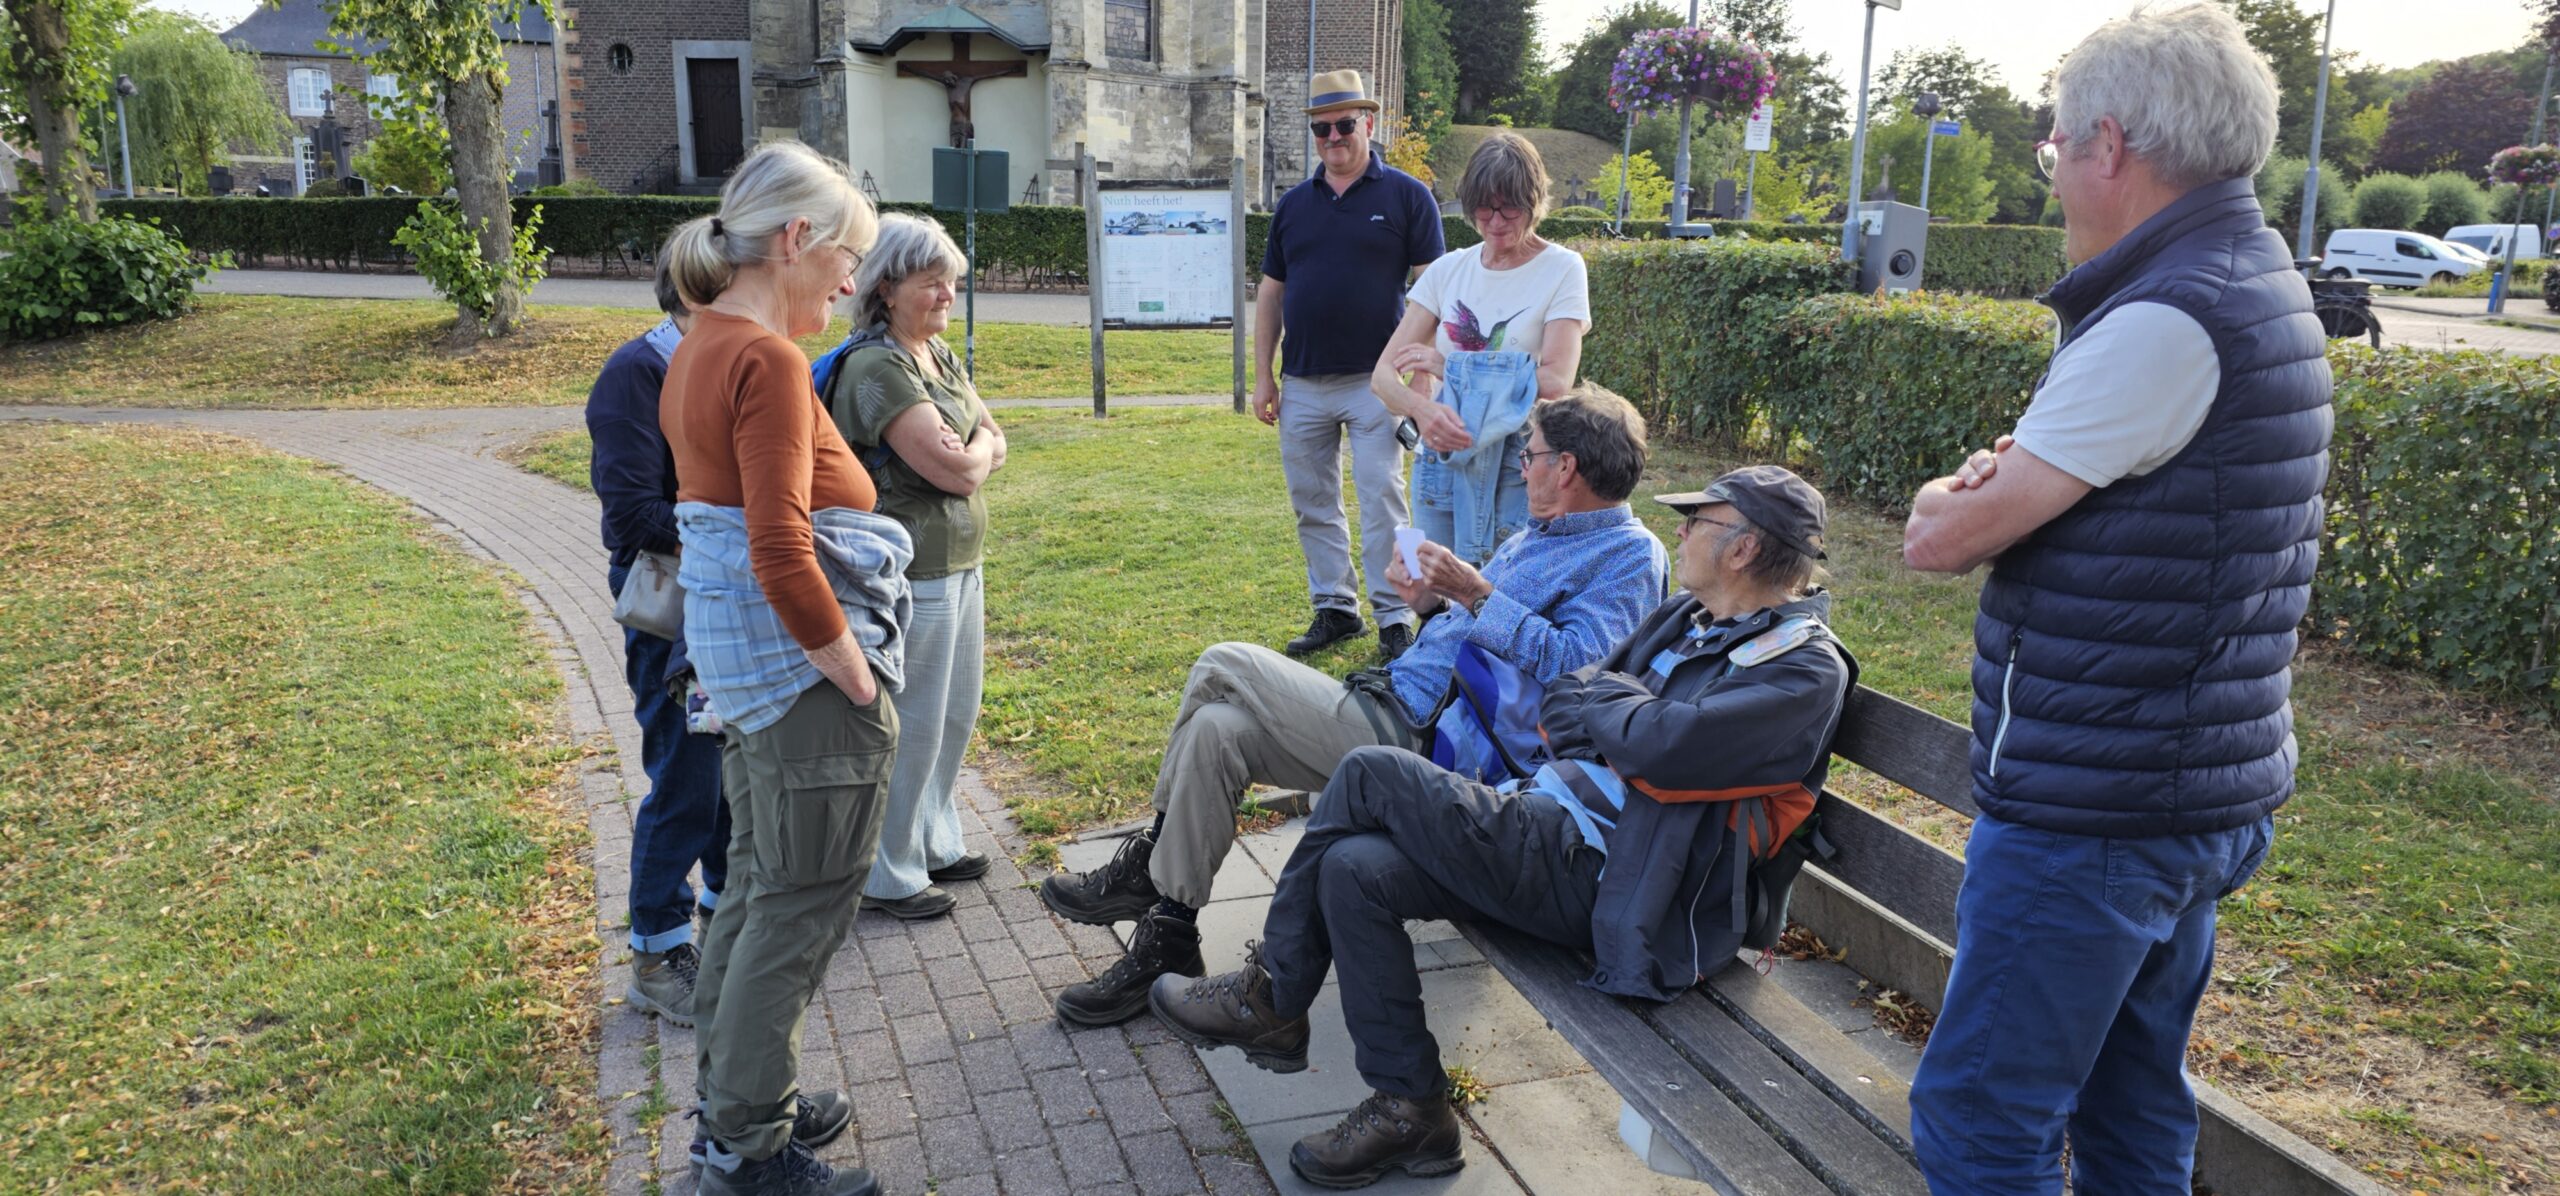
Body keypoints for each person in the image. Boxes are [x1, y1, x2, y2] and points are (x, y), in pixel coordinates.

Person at [1897, 7, 2330, 1191]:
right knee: (2132, 1101)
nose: (2051, 176)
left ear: (2106, 144)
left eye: (2048, 150)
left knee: (1984, 1118)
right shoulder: (2251, 280)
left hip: (2099, 804)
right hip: (2189, 781)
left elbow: (1937, 536)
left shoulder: (2160, 319)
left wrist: (1967, 482)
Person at [1148, 466, 1855, 1190]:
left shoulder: (1801, 671)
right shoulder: (1687, 616)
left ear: (1742, 548)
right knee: (1352, 867)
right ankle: (1412, 1111)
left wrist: (1621, 717)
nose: (1680, 530)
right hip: (1545, 822)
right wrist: (1627, 715)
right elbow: (1568, 698)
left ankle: (1271, 997)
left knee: (1371, 772)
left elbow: (1663, 748)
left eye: (1697, 521)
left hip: (1613, 880)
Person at [1041, 387, 1668, 1027]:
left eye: (1529, 454)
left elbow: (1583, 669)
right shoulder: (1541, 534)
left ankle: (1147, 862)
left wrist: (1477, 593)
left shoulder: (1628, 554)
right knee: (1215, 729)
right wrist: (1431, 601)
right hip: (1394, 700)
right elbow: (1478, 635)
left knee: (1223, 661)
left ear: (1564, 467)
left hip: (1429, 743)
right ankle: (1168, 934)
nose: (1520, 465)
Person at [659, 140, 895, 1196]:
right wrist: (853, 676)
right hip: (800, 680)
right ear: (793, 240)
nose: (852, 282)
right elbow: (779, 546)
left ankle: (741, 1094)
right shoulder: (765, 357)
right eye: (846, 256)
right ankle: (748, 1149)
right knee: (798, 899)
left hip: (751, 676)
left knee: (755, 889)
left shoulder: (700, 339)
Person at [822, 212, 1006, 922]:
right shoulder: (878, 367)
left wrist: (976, 452)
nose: (947, 298)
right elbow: (957, 469)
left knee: (956, 715)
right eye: (933, 284)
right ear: (888, 286)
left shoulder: (936, 357)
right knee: (916, 722)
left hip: (962, 561)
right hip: (915, 571)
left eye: (953, 284)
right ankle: (888, 870)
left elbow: (993, 438)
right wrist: (976, 453)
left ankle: (933, 840)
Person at [1253, 68, 1446, 662]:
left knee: (1387, 498)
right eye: (1321, 128)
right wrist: (1263, 374)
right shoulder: (1293, 205)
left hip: (1377, 385)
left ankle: (1401, 613)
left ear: (1368, 123)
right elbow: (1270, 293)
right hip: (1304, 382)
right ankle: (1335, 609)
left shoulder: (1408, 197)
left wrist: (1422, 383)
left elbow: (1432, 295)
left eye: (1342, 125)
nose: (1332, 137)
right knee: (1312, 503)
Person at [589, 258, 733, 1028]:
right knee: (684, 776)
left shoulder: (717, 362)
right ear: (690, 293)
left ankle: (717, 921)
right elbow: (632, 517)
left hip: (722, 600)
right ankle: (657, 952)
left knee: (723, 778)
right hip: (674, 610)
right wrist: (744, 520)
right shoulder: (638, 373)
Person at [1374, 132, 1589, 566]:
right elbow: (1382, 377)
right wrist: (1424, 412)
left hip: (1522, 462)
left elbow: (1554, 381)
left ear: (1534, 202)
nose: (1495, 222)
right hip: (1444, 457)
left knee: (1505, 590)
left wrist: (1448, 365)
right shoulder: (1447, 271)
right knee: (1434, 587)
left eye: (1509, 207)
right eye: (1483, 208)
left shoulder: (1562, 269)